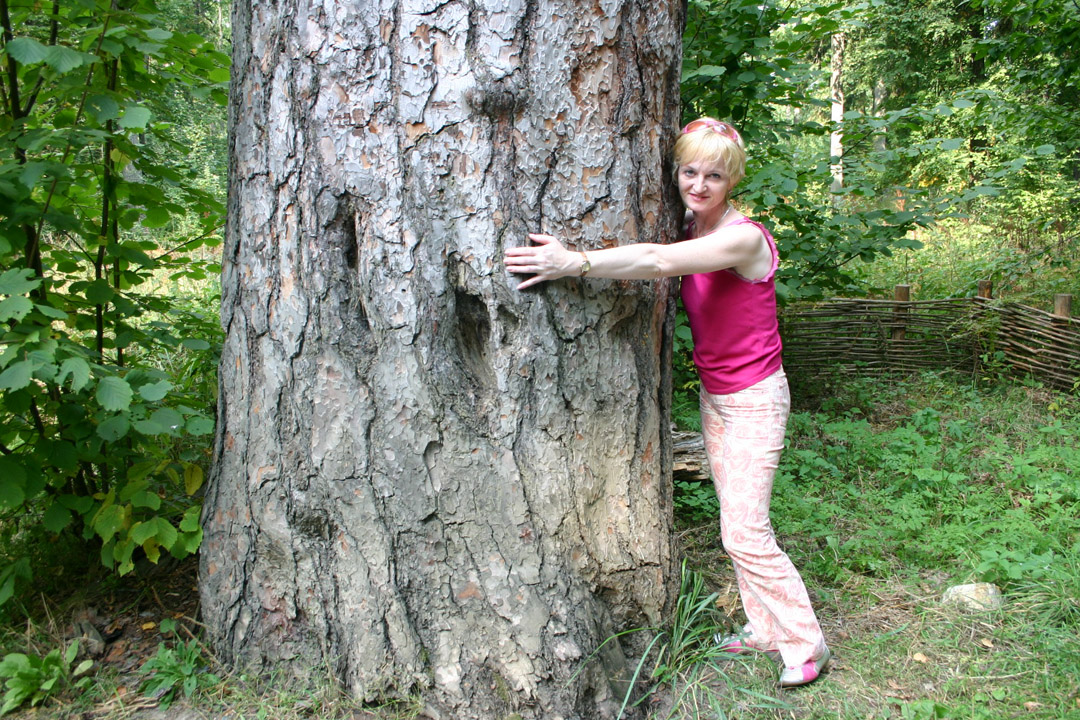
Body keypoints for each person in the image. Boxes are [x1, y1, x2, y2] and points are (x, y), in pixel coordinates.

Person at [503, 118, 830, 687]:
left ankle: (806, 642)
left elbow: (656, 261)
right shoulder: (686, 223)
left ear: (733, 180)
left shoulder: (744, 237)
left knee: (745, 532)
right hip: (717, 396)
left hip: (755, 399)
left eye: (714, 175)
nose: (699, 184)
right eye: (689, 172)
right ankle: (763, 629)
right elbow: (659, 245)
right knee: (736, 522)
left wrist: (573, 262)